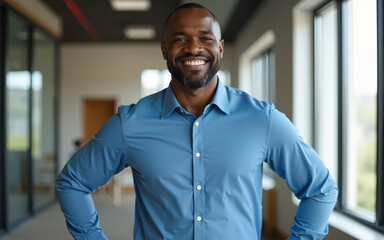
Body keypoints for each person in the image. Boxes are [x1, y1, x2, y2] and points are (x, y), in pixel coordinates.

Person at [56, 3, 338, 239]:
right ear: (165, 49)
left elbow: (321, 190)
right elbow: (72, 183)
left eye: (205, 38)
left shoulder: (262, 120)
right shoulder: (130, 124)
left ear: (221, 48)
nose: (194, 48)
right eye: (180, 39)